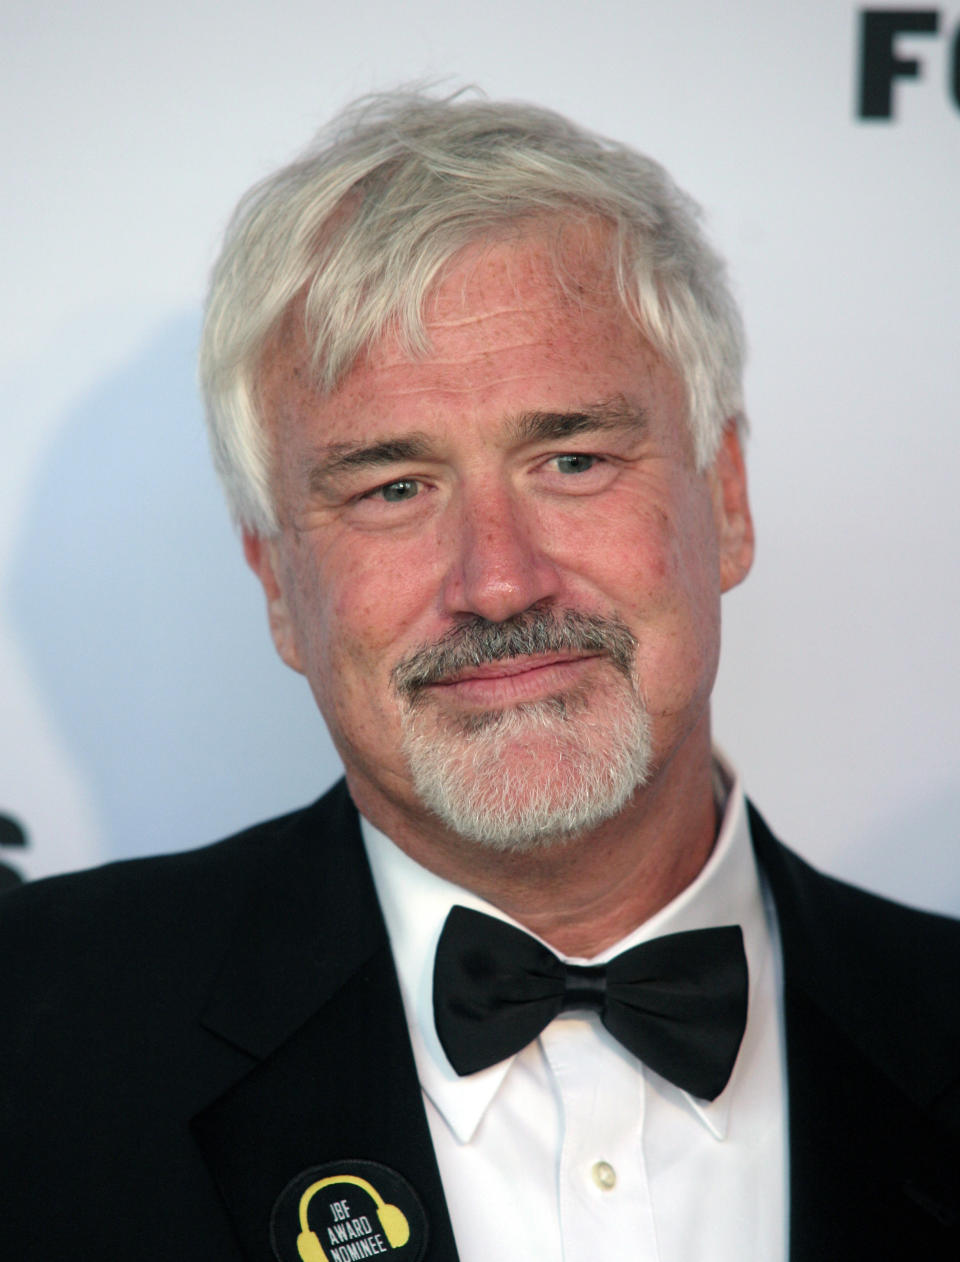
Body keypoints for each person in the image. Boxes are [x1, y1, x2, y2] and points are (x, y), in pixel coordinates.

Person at [2, 91, 958, 1262]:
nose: (499, 581)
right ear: (275, 583)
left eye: (572, 458)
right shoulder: (31, 1036)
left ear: (726, 500)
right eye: (393, 488)